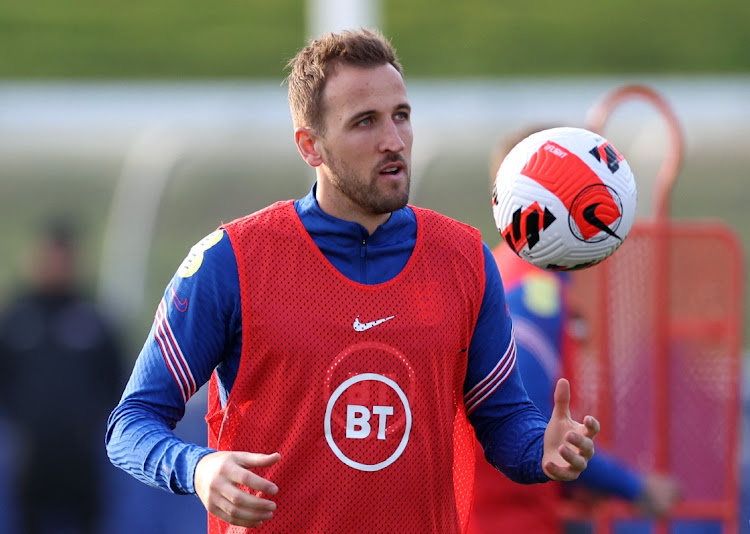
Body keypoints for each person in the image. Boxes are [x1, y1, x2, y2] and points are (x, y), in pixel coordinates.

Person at [105, 29, 600, 534]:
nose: (393, 140)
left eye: (401, 116)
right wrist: (197, 468)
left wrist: (541, 448)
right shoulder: (230, 261)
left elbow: (503, 421)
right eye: (365, 122)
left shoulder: (463, 257)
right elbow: (131, 423)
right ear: (310, 146)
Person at [468, 128, 682, 534]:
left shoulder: (507, 272)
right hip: (505, 520)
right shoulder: (532, 295)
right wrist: (632, 486)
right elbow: (530, 422)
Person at [0, 217, 123, 534]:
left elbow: (116, 379)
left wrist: (91, 420)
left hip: (81, 454)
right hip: (32, 453)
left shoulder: (93, 319)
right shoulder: (16, 319)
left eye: (63, 257)